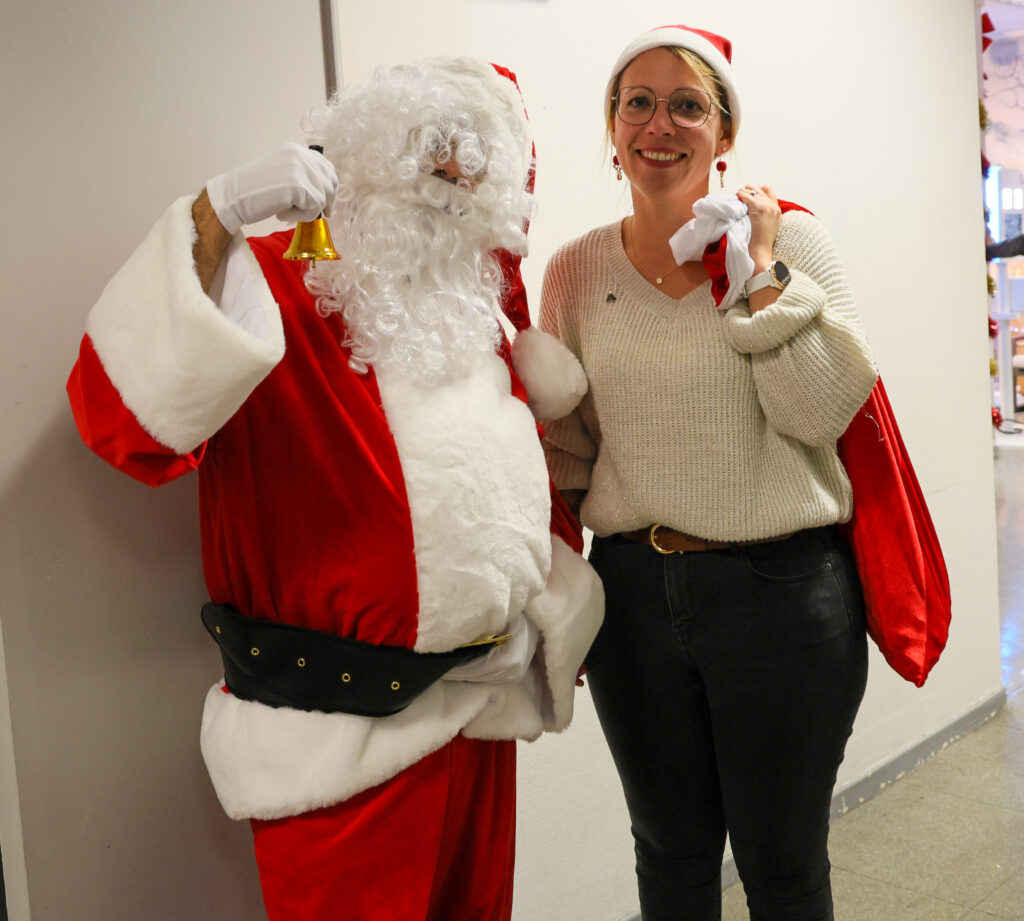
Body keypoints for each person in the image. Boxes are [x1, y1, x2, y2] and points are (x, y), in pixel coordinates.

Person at [66, 57, 602, 921]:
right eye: (434, 142)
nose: (453, 172)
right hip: (336, 747)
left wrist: (553, 601)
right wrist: (215, 215)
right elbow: (119, 420)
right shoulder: (274, 281)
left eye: (478, 158)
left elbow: (508, 491)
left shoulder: (476, 315)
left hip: (480, 720)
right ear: (371, 144)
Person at [539, 25, 878, 921]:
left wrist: (758, 275)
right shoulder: (574, 272)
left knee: (783, 865)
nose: (660, 124)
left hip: (782, 595)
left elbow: (817, 412)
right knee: (671, 858)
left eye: (687, 105)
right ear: (612, 127)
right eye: (638, 104)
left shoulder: (792, 241)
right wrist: (556, 592)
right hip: (634, 599)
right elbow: (566, 452)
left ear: (724, 132)